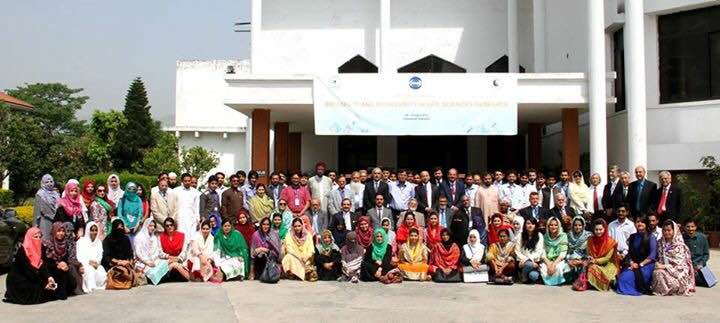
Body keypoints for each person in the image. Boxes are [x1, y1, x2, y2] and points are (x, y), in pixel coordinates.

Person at [3, 228, 61, 304]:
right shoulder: (22, 251)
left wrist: (49, 277)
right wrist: (44, 284)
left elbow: (42, 266)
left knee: (53, 289)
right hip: (19, 282)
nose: (38, 239)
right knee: (38, 294)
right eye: (35, 237)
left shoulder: (40, 249)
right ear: (29, 238)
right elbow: (28, 271)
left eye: (40, 237)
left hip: (32, 278)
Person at [616, 215, 657, 296]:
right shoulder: (632, 237)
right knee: (623, 277)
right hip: (634, 264)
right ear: (635, 223)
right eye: (638, 222)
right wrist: (631, 263)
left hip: (646, 265)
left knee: (628, 278)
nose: (640, 223)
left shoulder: (651, 237)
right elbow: (630, 253)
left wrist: (640, 264)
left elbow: (652, 255)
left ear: (646, 224)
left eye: (642, 222)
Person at [652, 221, 695, 296]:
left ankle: (672, 289)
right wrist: (658, 264)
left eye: (669, 230)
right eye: (664, 230)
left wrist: (665, 266)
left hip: (677, 273)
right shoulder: (659, 243)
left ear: (674, 231)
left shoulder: (679, 245)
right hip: (663, 270)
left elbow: (680, 264)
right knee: (657, 272)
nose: (666, 232)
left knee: (659, 273)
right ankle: (664, 289)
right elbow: (656, 257)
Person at [41, 222, 82, 299]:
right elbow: (44, 262)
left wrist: (64, 264)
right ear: (54, 231)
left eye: (63, 231)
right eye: (59, 231)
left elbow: (65, 258)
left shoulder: (64, 244)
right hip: (49, 270)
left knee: (72, 281)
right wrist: (57, 265)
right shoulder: (47, 244)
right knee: (60, 274)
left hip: (61, 269)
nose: (61, 233)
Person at [584, 219, 620, 291]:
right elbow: (588, 253)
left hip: (607, 264)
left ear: (605, 229)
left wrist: (595, 260)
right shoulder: (590, 240)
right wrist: (590, 258)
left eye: (600, 229)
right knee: (590, 266)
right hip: (593, 262)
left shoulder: (610, 242)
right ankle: (597, 283)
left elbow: (606, 258)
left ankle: (606, 283)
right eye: (596, 229)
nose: (598, 232)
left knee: (593, 268)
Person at [134, 218, 172, 285]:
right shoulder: (139, 237)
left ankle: (154, 277)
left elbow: (160, 252)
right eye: (150, 226)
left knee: (169, 262)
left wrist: (167, 256)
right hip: (143, 263)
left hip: (154, 261)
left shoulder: (155, 238)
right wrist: (147, 262)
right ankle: (152, 278)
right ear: (146, 226)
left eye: (154, 226)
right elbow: (138, 253)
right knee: (152, 270)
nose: (152, 228)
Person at [76, 221, 106, 292]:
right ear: (88, 230)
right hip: (85, 264)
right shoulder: (81, 241)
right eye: (92, 230)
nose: (94, 232)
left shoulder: (98, 242)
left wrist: (97, 263)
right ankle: (92, 287)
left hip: (95, 264)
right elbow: (79, 256)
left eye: (96, 230)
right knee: (90, 271)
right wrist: (88, 262)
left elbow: (100, 255)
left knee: (101, 271)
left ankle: (97, 286)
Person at [541, 217, 569, 286]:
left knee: (558, 268)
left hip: (559, 259)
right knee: (544, 268)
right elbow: (543, 252)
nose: (553, 227)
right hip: (548, 260)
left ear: (559, 226)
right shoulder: (545, 237)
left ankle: (557, 282)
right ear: (548, 226)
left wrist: (553, 264)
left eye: (556, 225)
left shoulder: (563, 236)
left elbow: (563, 253)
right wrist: (548, 263)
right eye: (551, 225)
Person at [515, 217, 545, 284]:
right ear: (525, 225)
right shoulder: (521, 235)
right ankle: (524, 277)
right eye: (528, 223)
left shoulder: (539, 235)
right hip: (522, 261)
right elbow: (517, 250)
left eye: (533, 224)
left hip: (534, 261)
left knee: (533, 276)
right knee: (529, 265)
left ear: (535, 225)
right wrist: (525, 260)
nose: (530, 225)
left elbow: (539, 251)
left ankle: (525, 276)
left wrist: (530, 260)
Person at [683, 219, 711, 287]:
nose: (690, 229)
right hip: (686, 266)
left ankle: (695, 278)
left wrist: (701, 264)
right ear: (684, 227)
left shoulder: (702, 237)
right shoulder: (681, 238)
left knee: (710, 282)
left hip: (699, 266)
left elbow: (706, 254)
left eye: (692, 226)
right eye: (688, 226)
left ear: (696, 227)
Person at [566, 216, 591, 283]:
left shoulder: (588, 236)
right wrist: (569, 260)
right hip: (571, 259)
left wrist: (581, 261)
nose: (577, 227)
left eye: (580, 225)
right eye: (575, 225)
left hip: (583, 259)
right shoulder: (569, 235)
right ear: (572, 226)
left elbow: (589, 252)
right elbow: (567, 251)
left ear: (583, 226)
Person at [34, 174, 60, 239]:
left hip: (56, 220)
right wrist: (35, 226)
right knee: (45, 240)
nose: (49, 184)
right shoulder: (40, 194)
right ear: (42, 183)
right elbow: (37, 211)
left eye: (51, 181)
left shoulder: (56, 194)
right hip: (45, 221)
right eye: (47, 182)